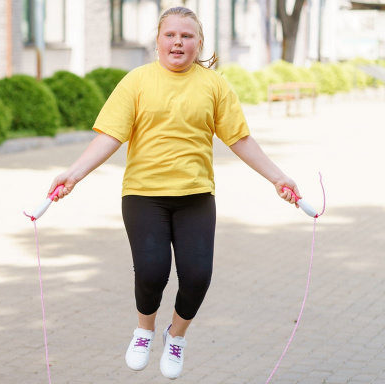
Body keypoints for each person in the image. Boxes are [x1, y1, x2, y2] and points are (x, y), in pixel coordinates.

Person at [46, 7, 302, 380]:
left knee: (197, 276)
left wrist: (278, 178)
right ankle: (144, 330)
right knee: (152, 272)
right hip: (143, 195)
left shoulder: (214, 85)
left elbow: (240, 139)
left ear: (199, 43)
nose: (178, 42)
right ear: (158, 41)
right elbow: (110, 136)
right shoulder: (136, 81)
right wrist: (73, 174)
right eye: (170, 35)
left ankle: (176, 336)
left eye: (187, 36)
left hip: (195, 196)